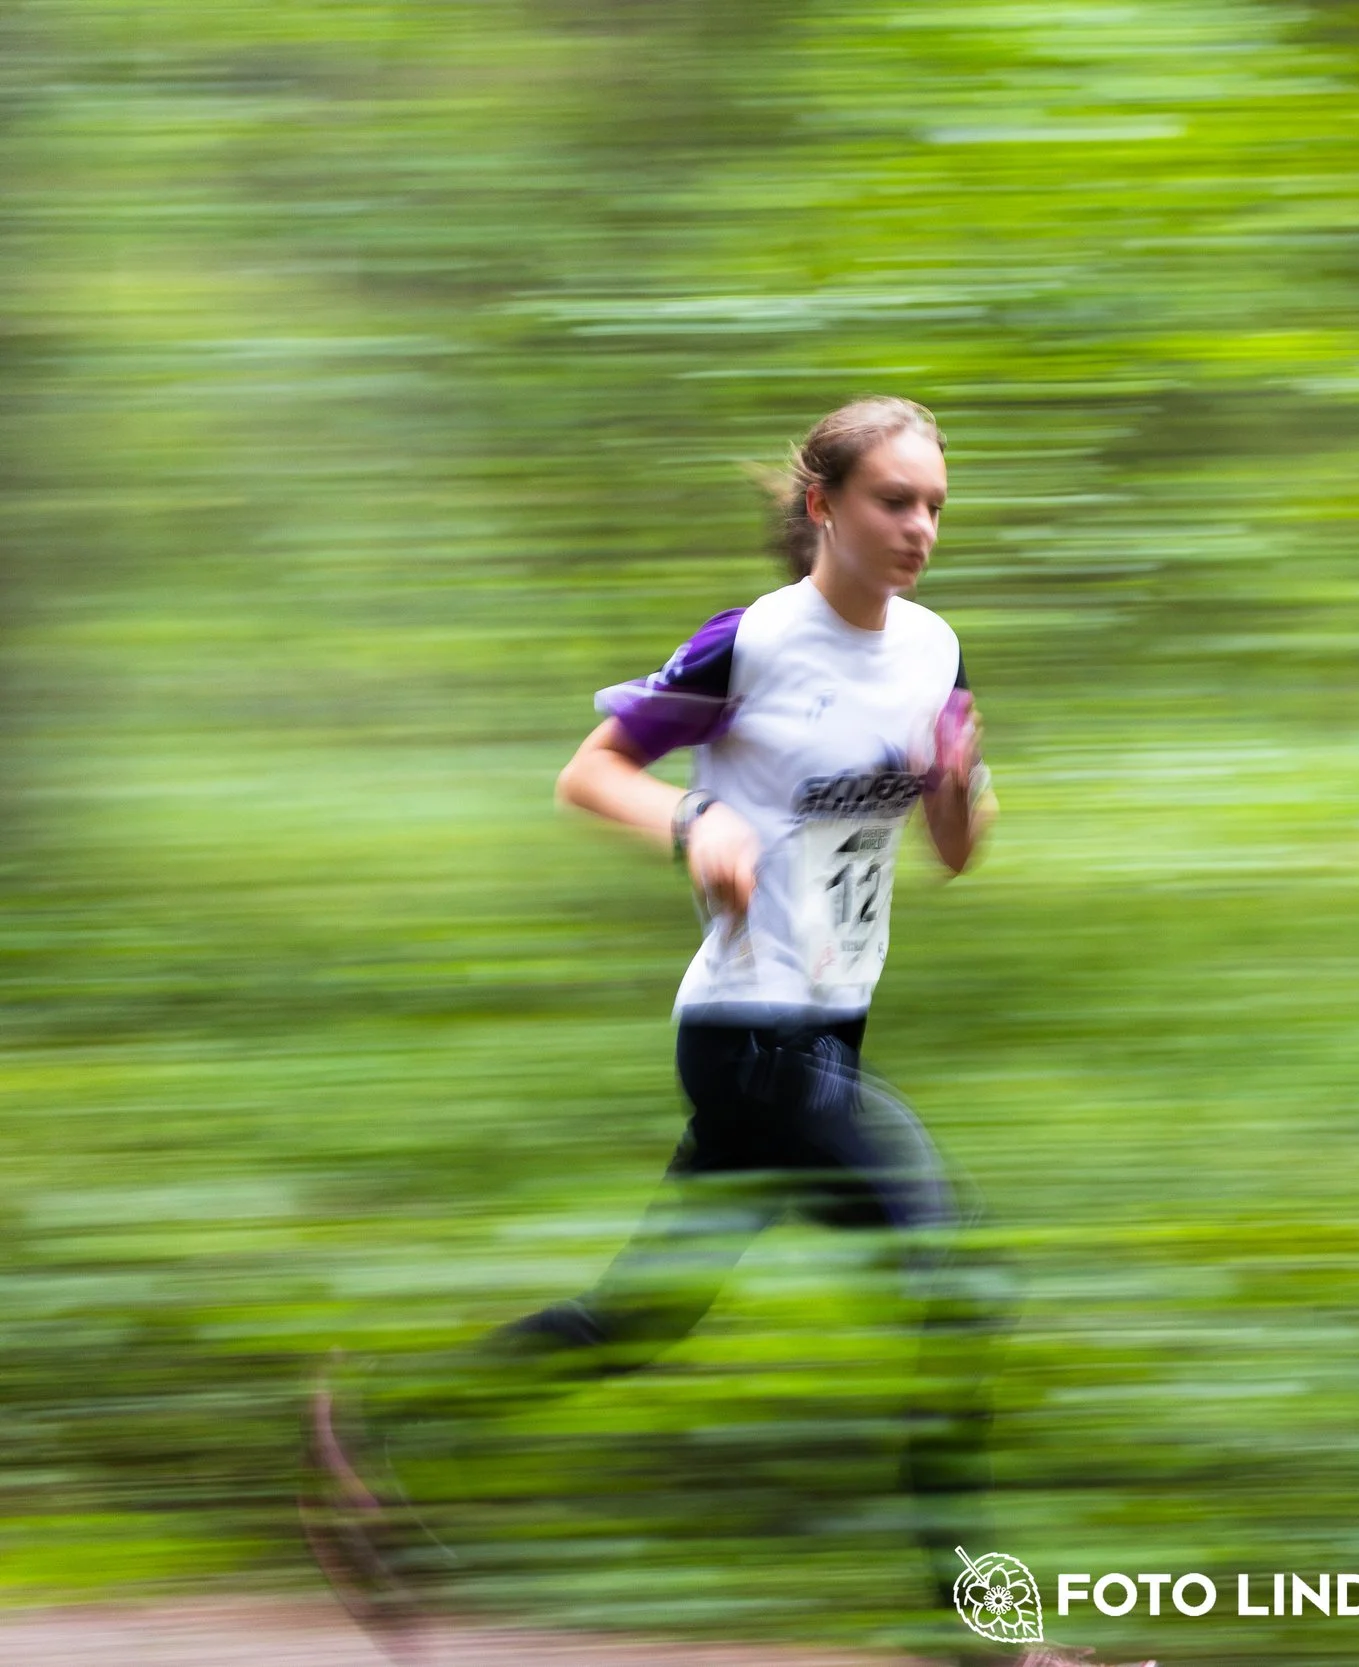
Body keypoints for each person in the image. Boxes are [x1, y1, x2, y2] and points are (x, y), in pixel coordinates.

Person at [304, 398, 1129, 1667]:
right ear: (823, 506)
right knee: (962, 1283)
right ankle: (983, 1635)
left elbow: (955, 848)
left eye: (934, 505)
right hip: (752, 1035)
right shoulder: (751, 644)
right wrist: (697, 822)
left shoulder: (934, 649)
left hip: (828, 1035)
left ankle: (378, 1423)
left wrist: (961, 780)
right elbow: (590, 771)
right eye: (893, 500)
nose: (919, 527)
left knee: (637, 1319)